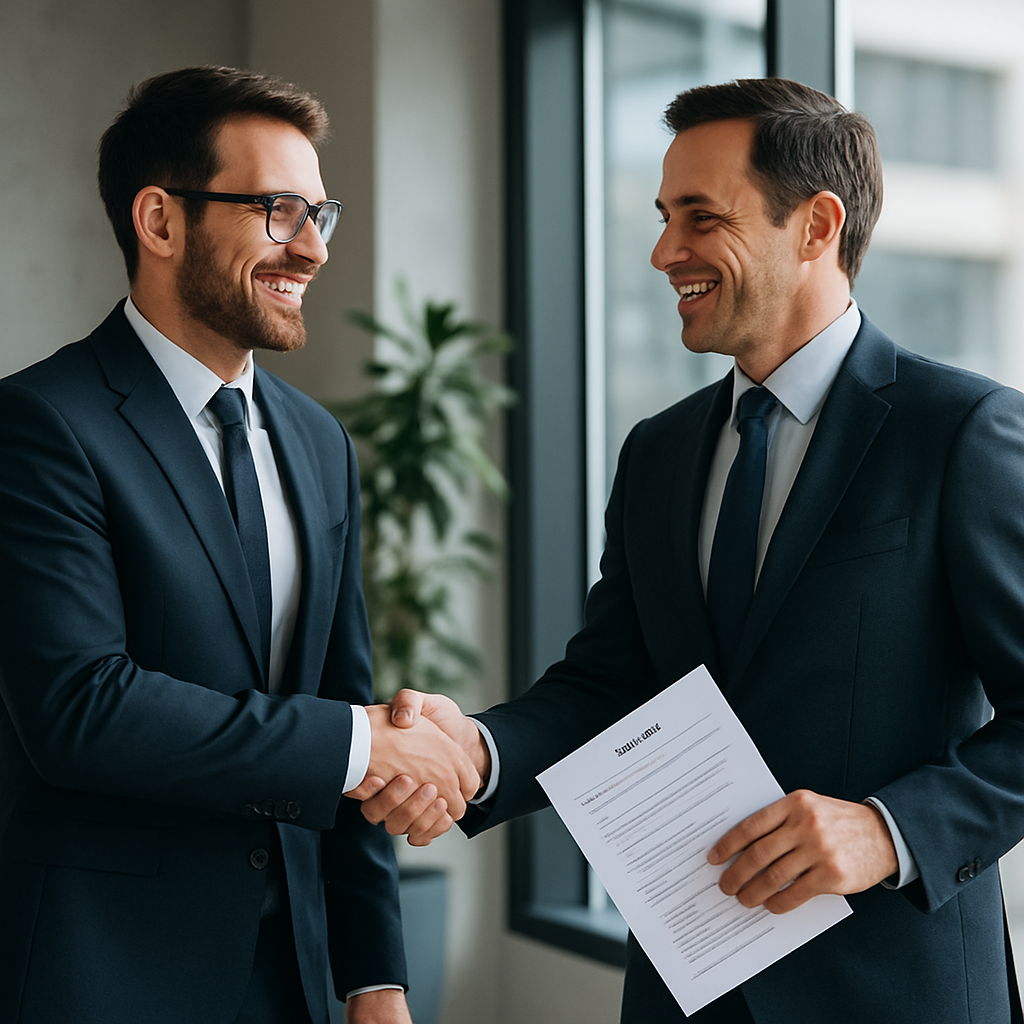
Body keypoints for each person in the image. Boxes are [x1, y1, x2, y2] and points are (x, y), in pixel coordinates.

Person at [353, 78, 1024, 1023]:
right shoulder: (659, 451)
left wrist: (889, 830)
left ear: (817, 226)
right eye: (666, 217)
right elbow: (615, 683)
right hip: (685, 991)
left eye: (700, 219)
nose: (666, 252)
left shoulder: (961, 431)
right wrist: (479, 749)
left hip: (892, 992)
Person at [0, 65, 479, 1024]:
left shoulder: (319, 442)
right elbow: (82, 709)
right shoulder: (39, 424)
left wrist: (373, 974)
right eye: (277, 211)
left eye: (320, 215)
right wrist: (363, 741)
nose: (311, 248)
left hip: (293, 979)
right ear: (161, 221)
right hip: (105, 978)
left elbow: (340, 694)